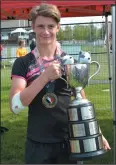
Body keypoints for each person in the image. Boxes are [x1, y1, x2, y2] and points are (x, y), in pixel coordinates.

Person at [9, 3, 111, 164]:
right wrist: (44, 77)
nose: (46, 31)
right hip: (38, 144)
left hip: (70, 142)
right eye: (41, 26)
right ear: (33, 27)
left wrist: (97, 133)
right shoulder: (23, 63)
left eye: (51, 26)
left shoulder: (69, 62)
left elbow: (81, 101)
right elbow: (15, 106)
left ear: (58, 27)